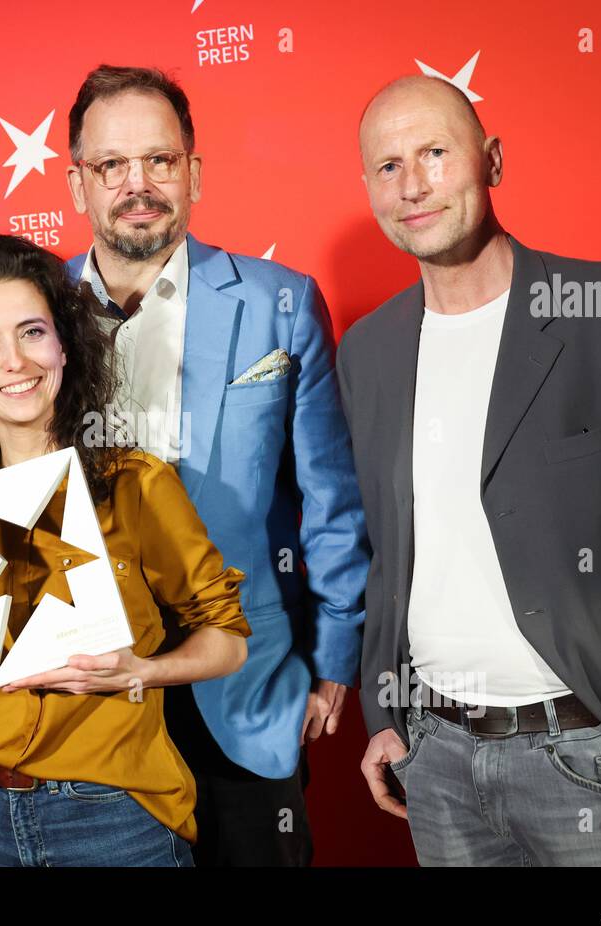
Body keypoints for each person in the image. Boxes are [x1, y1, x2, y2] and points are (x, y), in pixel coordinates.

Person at [337, 75, 601, 865]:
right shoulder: (367, 351)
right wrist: (384, 712)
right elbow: (384, 553)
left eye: (435, 152)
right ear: (368, 188)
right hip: (439, 766)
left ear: (491, 161)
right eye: (388, 166)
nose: (414, 184)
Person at [61, 65, 370, 866]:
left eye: (160, 161)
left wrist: (336, 658)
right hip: (85, 691)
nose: (139, 184)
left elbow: (329, 500)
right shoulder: (29, 316)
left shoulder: (281, 303)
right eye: (112, 166)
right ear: (77, 185)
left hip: (247, 682)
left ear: (193, 173)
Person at [0, 234, 250, 867]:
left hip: (117, 822)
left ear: (65, 344)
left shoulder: (136, 483)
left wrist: (141, 671)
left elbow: (228, 640)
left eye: (32, 332)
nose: (14, 362)